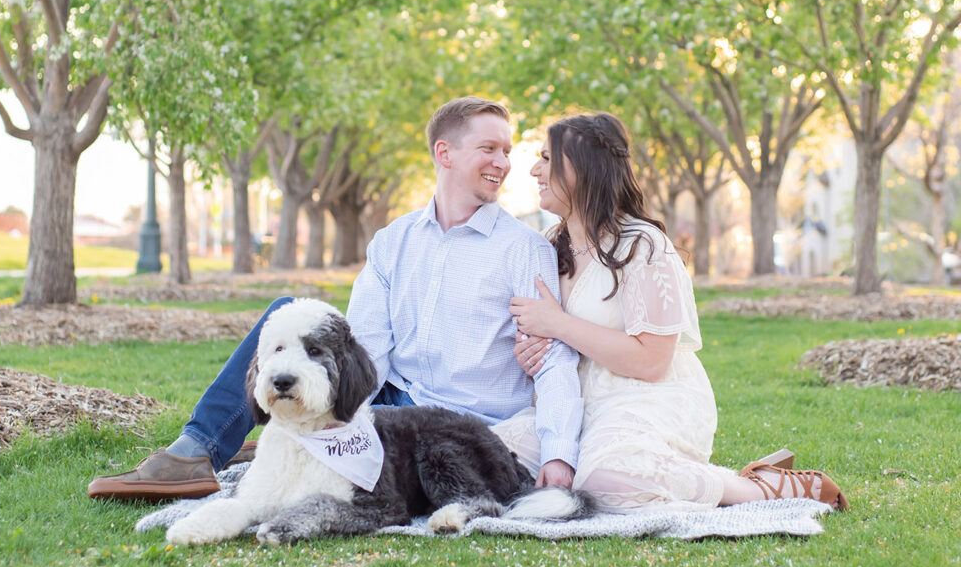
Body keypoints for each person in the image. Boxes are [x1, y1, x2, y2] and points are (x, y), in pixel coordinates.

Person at [88, 97, 583, 501]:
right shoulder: (394, 241)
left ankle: (273, 442)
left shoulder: (524, 250)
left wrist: (559, 456)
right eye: (489, 149)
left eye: (507, 151)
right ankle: (196, 449)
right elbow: (365, 346)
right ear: (444, 153)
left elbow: (554, 361)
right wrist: (332, 416)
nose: (503, 163)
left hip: (458, 425)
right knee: (287, 316)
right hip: (391, 402)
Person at [492, 112, 848, 512]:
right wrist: (532, 355)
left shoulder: (642, 247)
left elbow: (652, 361)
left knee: (608, 482)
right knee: (488, 454)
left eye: (547, 158)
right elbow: (544, 342)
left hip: (645, 399)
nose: (535, 169)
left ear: (584, 169)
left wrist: (558, 324)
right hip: (572, 405)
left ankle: (758, 487)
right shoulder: (545, 250)